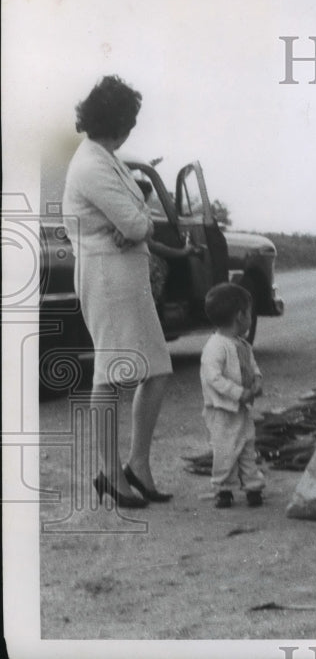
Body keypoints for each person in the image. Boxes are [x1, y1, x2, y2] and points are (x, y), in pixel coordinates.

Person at [62, 75, 174, 507]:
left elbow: (137, 216)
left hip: (126, 274)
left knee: (157, 370)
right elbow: (137, 222)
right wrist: (137, 226)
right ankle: (112, 474)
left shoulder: (107, 158)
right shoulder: (91, 164)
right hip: (106, 277)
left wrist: (136, 225)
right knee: (110, 372)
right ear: (121, 121)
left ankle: (137, 466)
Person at [199, 282, 265, 508]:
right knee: (225, 450)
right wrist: (239, 393)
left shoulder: (242, 344)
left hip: (241, 409)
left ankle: (253, 486)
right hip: (222, 411)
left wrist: (257, 380)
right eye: (249, 313)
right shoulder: (215, 346)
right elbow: (213, 378)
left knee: (247, 446)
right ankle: (223, 488)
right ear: (239, 316)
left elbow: (252, 366)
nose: (251, 318)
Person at [132, 178, 202, 303]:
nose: (146, 203)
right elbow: (153, 246)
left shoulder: (131, 212)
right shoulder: (134, 215)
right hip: (131, 261)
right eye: (145, 199)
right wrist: (183, 252)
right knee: (159, 268)